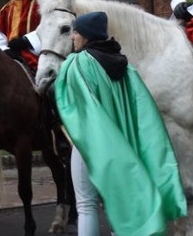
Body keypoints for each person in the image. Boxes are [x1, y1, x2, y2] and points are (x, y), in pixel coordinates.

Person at [55, 12, 186, 235]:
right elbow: (142, 109)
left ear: (86, 36)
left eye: (75, 32)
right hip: (122, 147)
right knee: (118, 205)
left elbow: (74, 106)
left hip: (89, 143)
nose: (71, 37)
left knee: (86, 206)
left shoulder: (78, 63)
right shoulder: (126, 67)